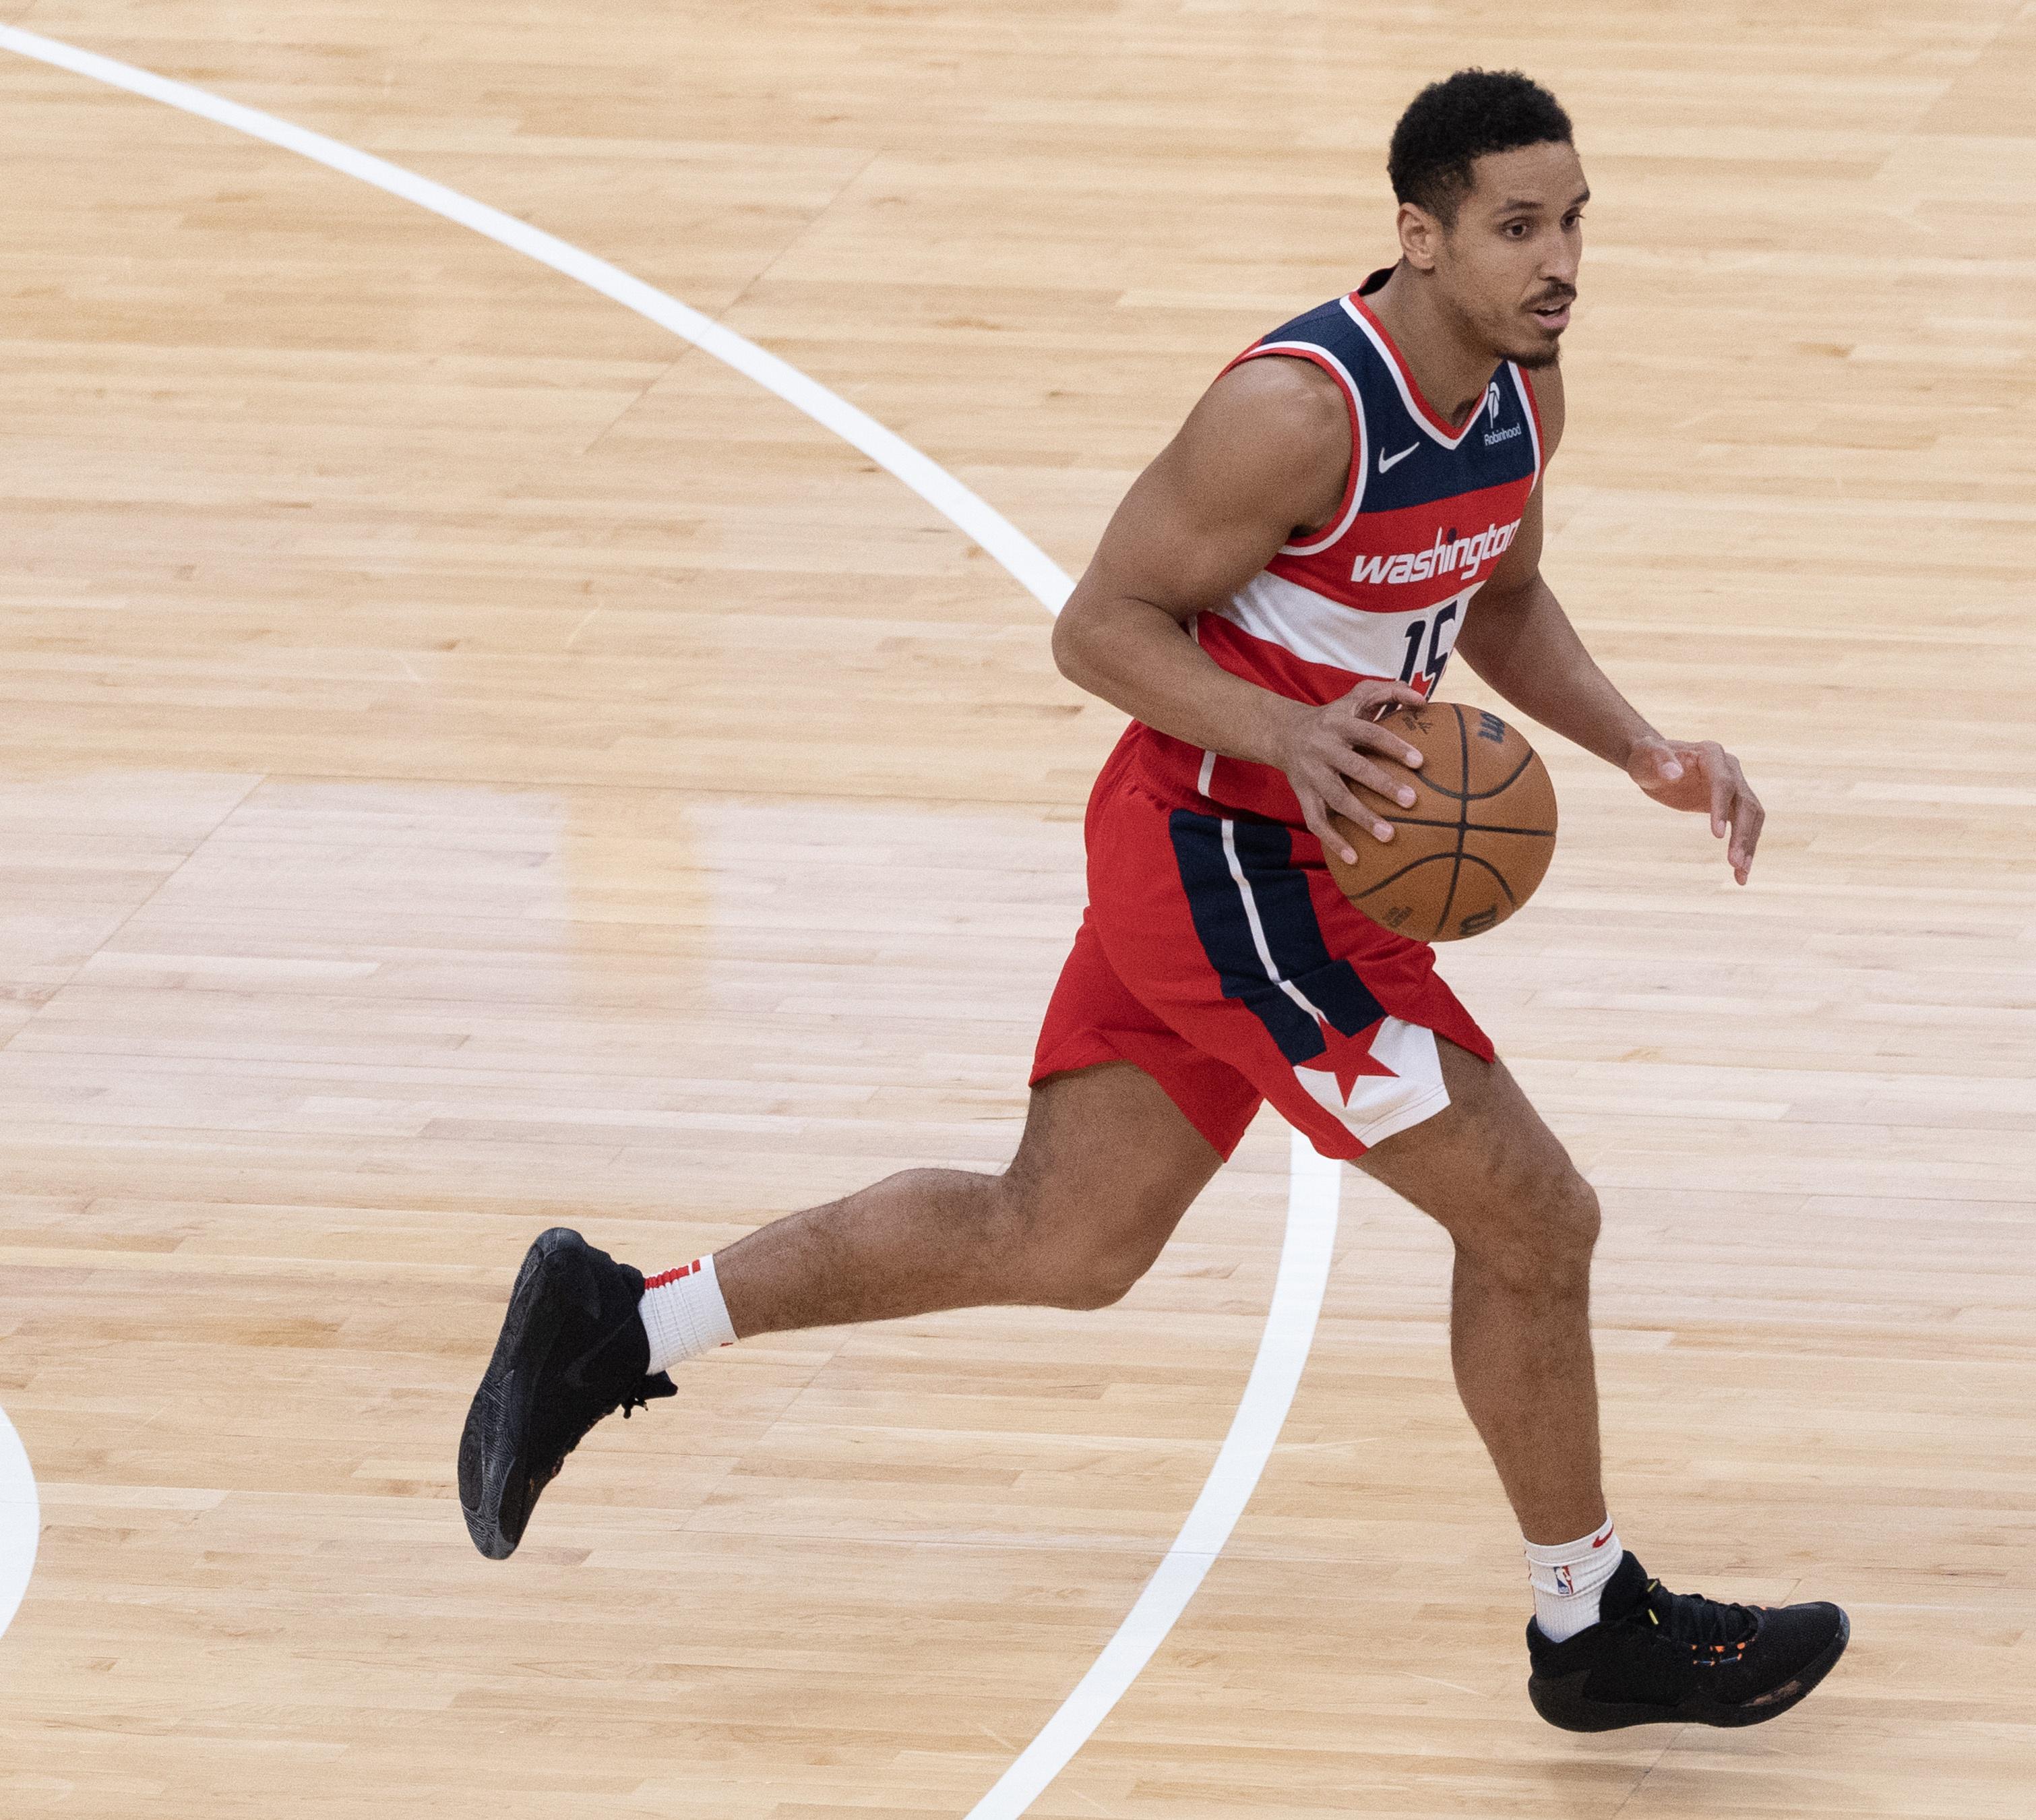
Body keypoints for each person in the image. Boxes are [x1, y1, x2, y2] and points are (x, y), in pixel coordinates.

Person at [459, 67, 1848, 1733]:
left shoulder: (1522, 395)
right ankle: (1591, 1622)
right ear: (1420, 235)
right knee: (1535, 1216)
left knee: (1066, 1237)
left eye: (1574, 224)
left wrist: (1639, 747)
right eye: (1517, 228)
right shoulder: (1298, 413)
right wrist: (1287, 733)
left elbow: (1504, 594)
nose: (1558, 263)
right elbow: (1099, 626)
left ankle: (619, 1323)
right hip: (1227, 871)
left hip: (1305, 862)